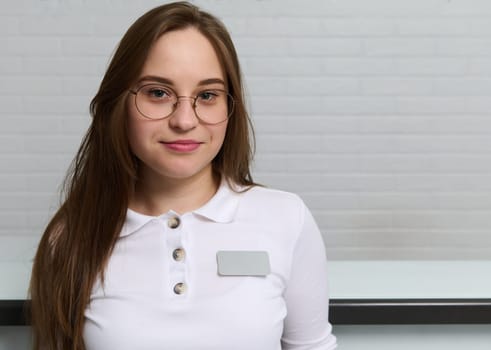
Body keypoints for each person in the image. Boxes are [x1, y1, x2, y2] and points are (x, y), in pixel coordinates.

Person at [30, 2, 337, 349]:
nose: (185, 121)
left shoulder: (285, 217)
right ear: (119, 103)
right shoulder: (71, 236)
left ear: (229, 105)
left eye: (207, 95)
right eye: (158, 93)